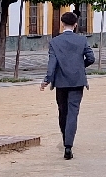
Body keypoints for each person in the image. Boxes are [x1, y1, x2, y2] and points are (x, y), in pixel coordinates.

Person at [41, 11, 96, 160]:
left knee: (62, 111)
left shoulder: (55, 42)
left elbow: (52, 64)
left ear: (62, 24)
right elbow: (91, 58)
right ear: (75, 24)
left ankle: (65, 138)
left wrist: (47, 80)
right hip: (77, 81)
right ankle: (68, 146)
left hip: (61, 82)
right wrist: (80, 66)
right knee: (73, 112)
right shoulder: (82, 40)